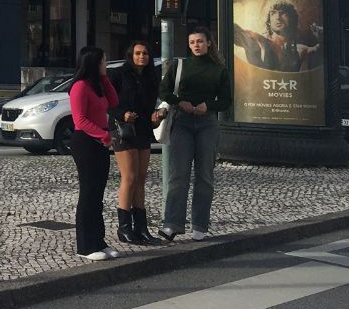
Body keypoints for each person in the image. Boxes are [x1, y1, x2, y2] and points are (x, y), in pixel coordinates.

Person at [158, 25, 231, 242]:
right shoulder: (180, 65)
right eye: (192, 42)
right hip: (182, 122)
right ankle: (172, 224)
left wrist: (207, 106)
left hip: (207, 123)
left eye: (200, 41)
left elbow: (226, 101)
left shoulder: (219, 70)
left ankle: (200, 224)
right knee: (178, 175)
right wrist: (180, 102)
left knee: (204, 177)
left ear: (209, 43)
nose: (196, 46)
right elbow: (164, 90)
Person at [68, 46, 120, 261]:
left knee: (98, 195)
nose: (106, 64)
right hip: (86, 143)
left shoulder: (96, 85)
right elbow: (79, 120)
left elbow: (114, 102)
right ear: (93, 63)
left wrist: (105, 79)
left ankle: (99, 241)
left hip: (100, 142)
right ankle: (85, 245)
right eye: (103, 61)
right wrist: (103, 135)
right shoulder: (79, 87)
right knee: (88, 194)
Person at [108, 42, 163, 245]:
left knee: (141, 178)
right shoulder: (118, 75)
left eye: (145, 53)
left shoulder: (150, 77)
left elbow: (149, 106)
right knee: (129, 177)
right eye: (138, 53)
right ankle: (124, 228)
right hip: (122, 130)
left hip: (142, 130)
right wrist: (122, 114)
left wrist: (156, 116)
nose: (142, 56)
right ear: (131, 55)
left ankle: (141, 227)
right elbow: (107, 103)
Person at [233, 0, 322, 72]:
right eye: (273, 13)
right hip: (259, 91)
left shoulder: (300, 50)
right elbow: (237, 32)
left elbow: (320, 51)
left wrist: (321, 37)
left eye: (283, 13)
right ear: (269, 20)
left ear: (292, 18)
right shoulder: (258, 41)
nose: (278, 17)